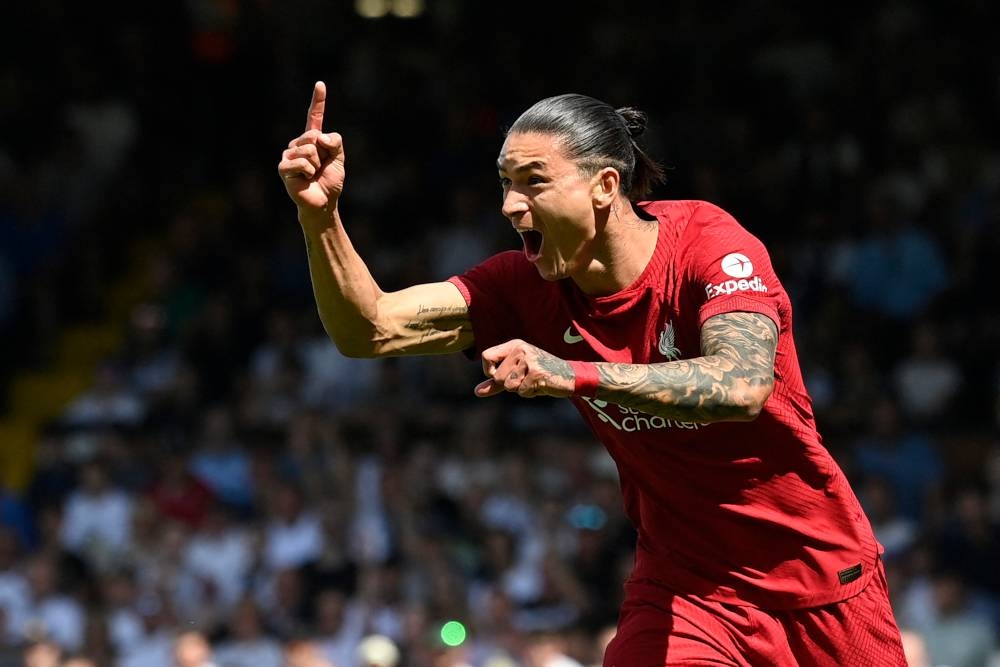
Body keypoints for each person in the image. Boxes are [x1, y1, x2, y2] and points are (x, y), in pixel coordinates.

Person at [278, 81, 907, 666]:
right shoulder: (523, 286)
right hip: (687, 590)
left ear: (605, 184)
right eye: (504, 183)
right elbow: (372, 329)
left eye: (533, 182)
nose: (510, 205)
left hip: (820, 578)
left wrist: (573, 374)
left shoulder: (709, 245)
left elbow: (741, 384)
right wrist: (320, 217)